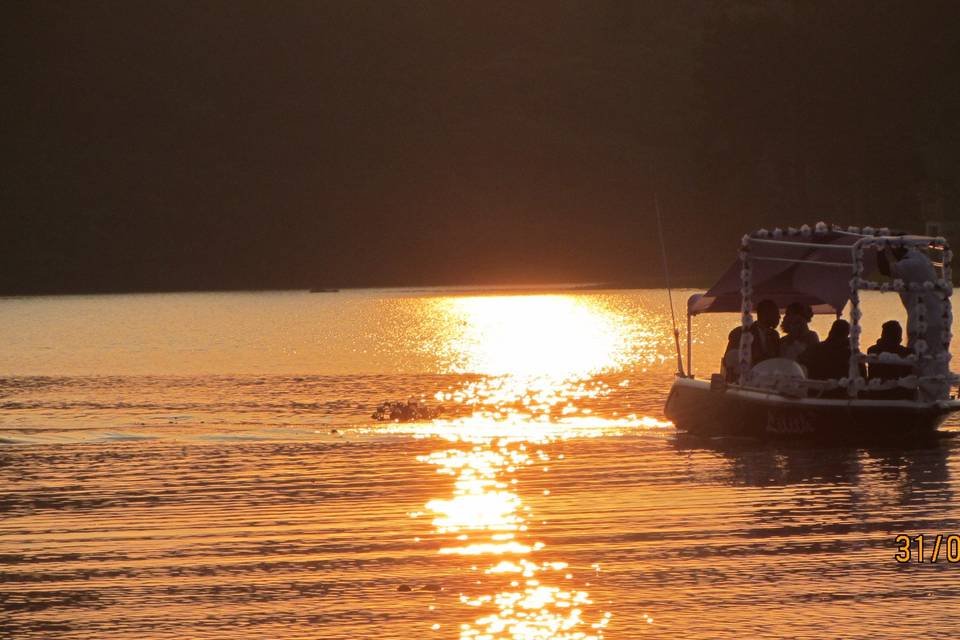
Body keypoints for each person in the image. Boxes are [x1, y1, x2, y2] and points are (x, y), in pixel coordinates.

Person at [879, 241, 950, 400]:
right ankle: (926, 396)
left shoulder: (912, 263)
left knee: (925, 361)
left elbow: (885, 269)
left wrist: (880, 247)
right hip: (930, 320)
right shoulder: (919, 260)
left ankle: (930, 398)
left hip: (928, 322)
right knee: (926, 361)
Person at [721, 299, 781, 381]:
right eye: (776, 313)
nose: (779, 317)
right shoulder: (740, 333)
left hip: (768, 381)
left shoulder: (775, 335)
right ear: (765, 314)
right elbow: (729, 362)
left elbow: (777, 361)